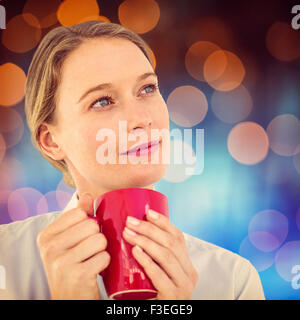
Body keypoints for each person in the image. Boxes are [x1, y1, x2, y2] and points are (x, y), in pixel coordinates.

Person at [0, 21, 265, 300]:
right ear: (51, 141)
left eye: (147, 89)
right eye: (102, 101)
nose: (141, 119)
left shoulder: (233, 281)